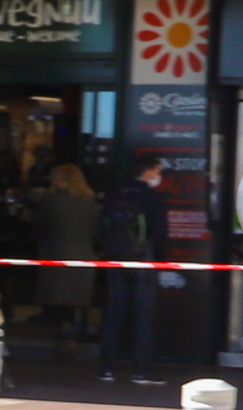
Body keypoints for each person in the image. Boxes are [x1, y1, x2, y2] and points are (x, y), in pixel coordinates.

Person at [96, 159, 175, 384]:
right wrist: (160, 260)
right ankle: (142, 371)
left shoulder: (115, 195)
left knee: (113, 314)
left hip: (115, 260)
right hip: (143, 261)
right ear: (148, 171)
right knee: (143, 317)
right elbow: (160, 234)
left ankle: (105, 368)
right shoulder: (153, 198)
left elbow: (102, 227)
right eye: (157, 171)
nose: (159, 175)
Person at [32, 163, 101, 350]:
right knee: (74, 298)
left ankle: (62, 327)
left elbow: (39, 224)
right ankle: (70, 326)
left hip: (56, 253)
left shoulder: (51, 200)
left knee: (56, 296)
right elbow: (96, 230)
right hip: (83, 255)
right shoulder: (89, 201)